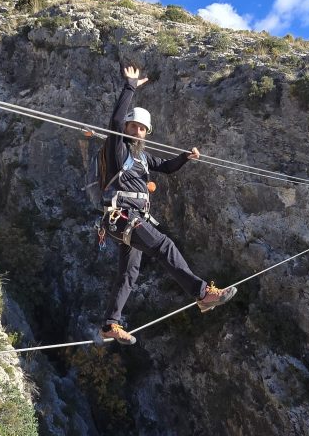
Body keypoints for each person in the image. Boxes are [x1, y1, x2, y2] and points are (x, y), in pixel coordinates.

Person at [99, 66, 237, 345]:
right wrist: (130, 86)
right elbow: (114, 122)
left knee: (129, 273)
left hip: (131, 218)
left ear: (146, 132)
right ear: (126, 128)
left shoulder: (142, 157)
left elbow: (167, 167)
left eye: (142, 128)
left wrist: (185, 157)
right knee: (164, 246)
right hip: (123, 216)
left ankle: (109, 324)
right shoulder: (119, 149)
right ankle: (202, 294)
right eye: (133, 125)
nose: (137, 130)